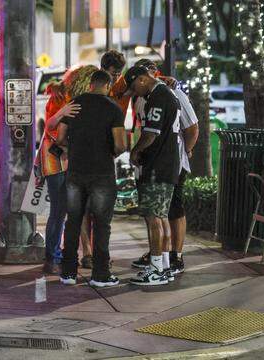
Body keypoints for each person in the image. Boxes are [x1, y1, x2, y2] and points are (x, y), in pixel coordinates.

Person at [56, 70, 126, 287]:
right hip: (102, 173)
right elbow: (121, 144)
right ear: (107, 85)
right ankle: (100, 274)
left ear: (91, 84)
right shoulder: (113, 107)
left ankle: (68, 273)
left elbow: (60, 137)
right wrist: (110, 153)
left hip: (76, 172)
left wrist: (75, 149)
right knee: (102, 224)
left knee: (73, 221)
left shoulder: (75, 104)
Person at [129, 59, 199, 275]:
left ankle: (168, 260)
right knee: (159, 213)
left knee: (167, 212)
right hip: (157, 162)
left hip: (166, 163)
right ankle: (162, 258)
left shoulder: (168, 94)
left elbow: (192, 127)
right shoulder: (144, 97)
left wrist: (184, 152)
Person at [36, 65, 97, 274]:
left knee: (71, 210)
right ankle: (52, 257)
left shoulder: (81, 98)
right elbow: (50, 126)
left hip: (73, 159)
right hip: (56, 159)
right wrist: (62, 111)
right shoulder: (62, 96)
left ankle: (61, 254)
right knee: (59, 210)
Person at [125, 66, 181, 286]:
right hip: (168, 165)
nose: (135, 93)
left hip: (158, 165)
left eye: (133, 88)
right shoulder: (168, 94)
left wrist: (136, 151)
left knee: (153, 218)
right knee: (161, 216)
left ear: (141, 80)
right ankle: (164, 266)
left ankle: (156, 269)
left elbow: (151, 133)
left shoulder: (158, 96)